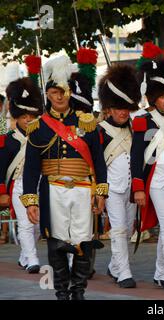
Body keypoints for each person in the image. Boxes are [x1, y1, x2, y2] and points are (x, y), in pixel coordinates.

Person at [20, 55, 108, 300]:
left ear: (69, 92)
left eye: (63, 91)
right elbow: (31, 168)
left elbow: (99, 163)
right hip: (53, 190)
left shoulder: (86, 123)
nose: (59, 97)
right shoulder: (39, 127)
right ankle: (61, 292)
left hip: (82, 190)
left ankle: (78, 290)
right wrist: (31, 200)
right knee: (56, 243)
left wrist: (101, 192)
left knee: (84, 243)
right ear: (47, 93)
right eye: (54, 91)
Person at [131, 59, 164, 294]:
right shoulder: (143, 120)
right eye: (162, 96)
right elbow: (136, 156)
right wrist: (138, 187)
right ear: (153, 98)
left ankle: (160, 272)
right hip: (157, 181)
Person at [98, 64, 141, 288]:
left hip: (132, 188)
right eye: (118, 107)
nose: (123, 112)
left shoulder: (136, 129)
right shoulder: (100, 130)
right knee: (119, 229)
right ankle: (124, 272)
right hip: (112, 188)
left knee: (129, 229)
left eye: (126, 107)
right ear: (109, 108)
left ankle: (115, 266)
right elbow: (96, 165)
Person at [0, 77, 43, 270]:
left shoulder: (42, 138)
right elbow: (1, 168)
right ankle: (32, 259)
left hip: (39, 184)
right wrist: (2, 191)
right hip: (18, 185)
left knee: (37, 226)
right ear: (17, 116)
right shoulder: (7, 140)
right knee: (25, 223)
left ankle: (25, 255)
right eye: (24, 116)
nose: (28, 120)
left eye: (31, 116)